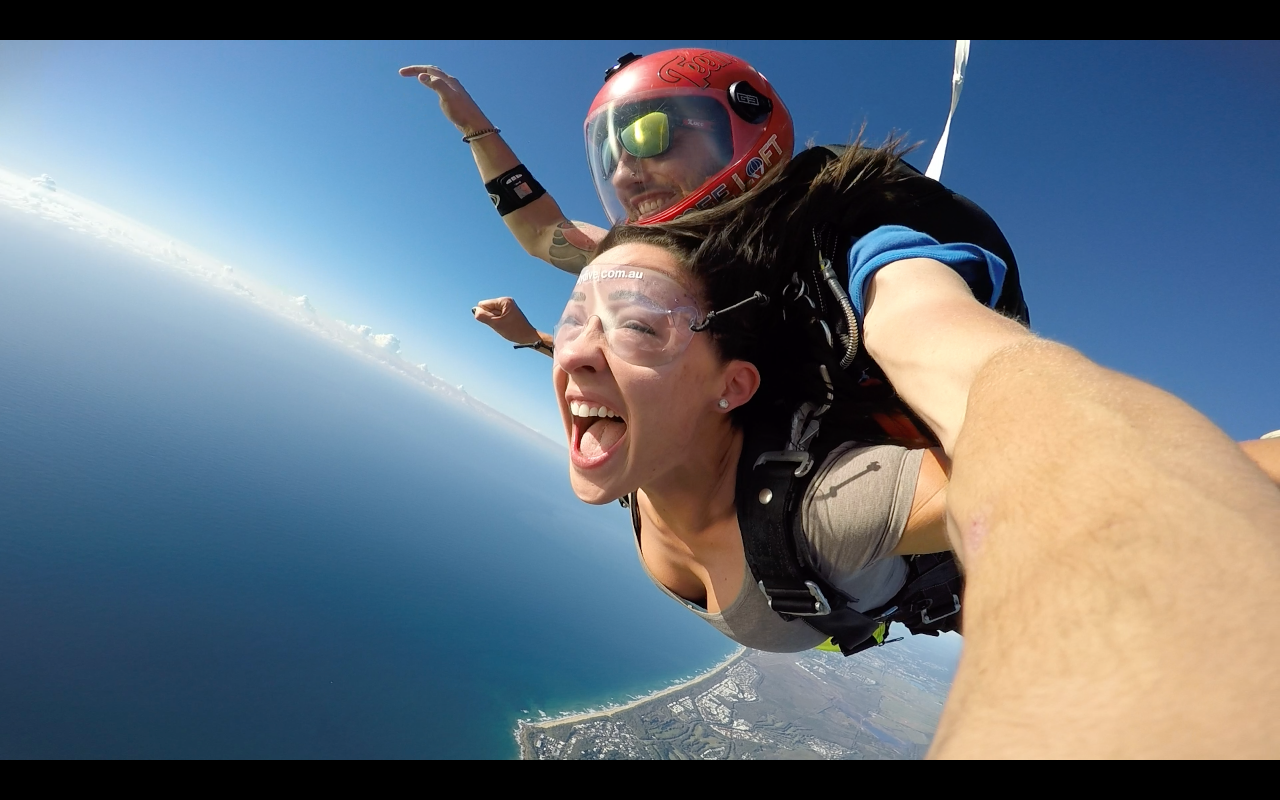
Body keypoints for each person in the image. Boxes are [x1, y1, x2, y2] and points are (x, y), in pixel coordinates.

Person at [401, 50, 794, 355]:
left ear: (739, 126)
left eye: (648, 135)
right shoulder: (646, 265)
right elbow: (541, 230)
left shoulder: (828, 239)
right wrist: (474, 127)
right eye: (609, 156)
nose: (622, 176)